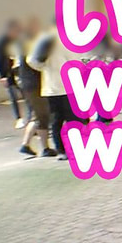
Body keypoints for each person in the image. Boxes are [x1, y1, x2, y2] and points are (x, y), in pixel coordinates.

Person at [27, 22, 77, 161]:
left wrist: (44, 68)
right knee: (74, 119)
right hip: (69, 86)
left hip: (50, 87)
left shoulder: (44, 39)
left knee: (56, 120)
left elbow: (31, 60)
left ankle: (61, 150)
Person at [17, 17, 56, 158]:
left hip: (28, 85)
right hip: (35, 85)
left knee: (37, 115)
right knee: (42, 116)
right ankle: (44, 147)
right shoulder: (32, 47)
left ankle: (26, 144)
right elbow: (37, 64)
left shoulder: (24, 47)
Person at [0, 19, 26, 129]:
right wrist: (2, 76)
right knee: (13, 96)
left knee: (26, 94)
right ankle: (19, 118)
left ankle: (31, 118)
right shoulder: (2, 43)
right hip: (8, 73)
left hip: (18, 71)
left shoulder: (17, 41)